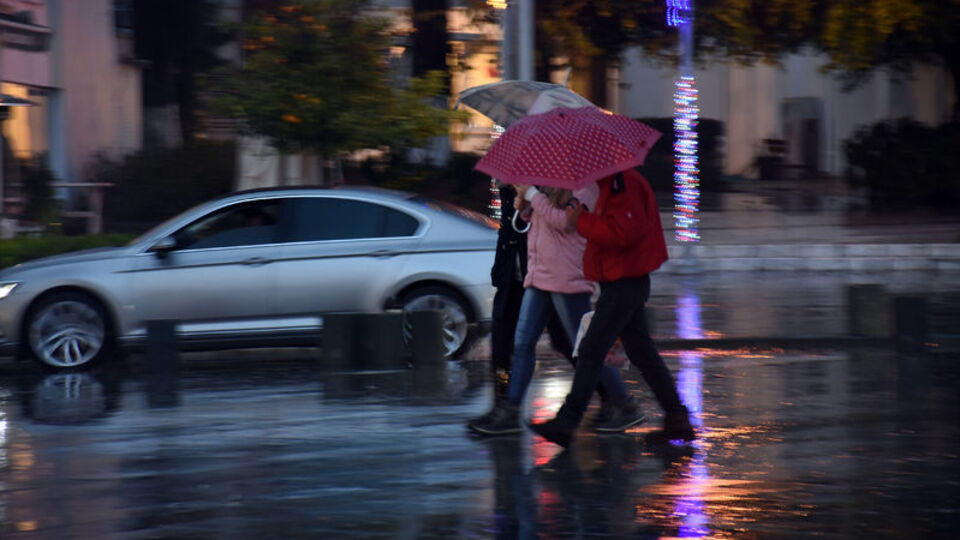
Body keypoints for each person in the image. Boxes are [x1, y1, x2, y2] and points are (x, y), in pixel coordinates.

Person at [530, 168, 695, 447]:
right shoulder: (610, 184)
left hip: (625, 282)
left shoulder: (623, 184)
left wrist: (581, 219)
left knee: (592, 349)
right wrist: (580, 212)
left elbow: (621, 233)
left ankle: (567, 421)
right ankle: (677, 419)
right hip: (620, 280)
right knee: (641, 352)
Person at [469, 182, 643, 435]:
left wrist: (534, 196)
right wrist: (525, 204)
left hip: (566, 277)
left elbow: (565, 223)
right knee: (523, 343)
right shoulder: (549, 184)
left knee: (587, 347)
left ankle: (624, 404)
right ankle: (510, 410)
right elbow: (532, 221)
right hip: (538, 274)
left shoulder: (585, 186)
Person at [467, 183, 574, 428]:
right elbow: (508, 226)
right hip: (513, 275)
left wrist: (532, 195)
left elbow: (558, 222)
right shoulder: (511, 184)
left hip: (543, 272)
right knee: (503, 343)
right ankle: (504, 406)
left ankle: (612, 396)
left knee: (564, 341)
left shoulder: (549, 181)